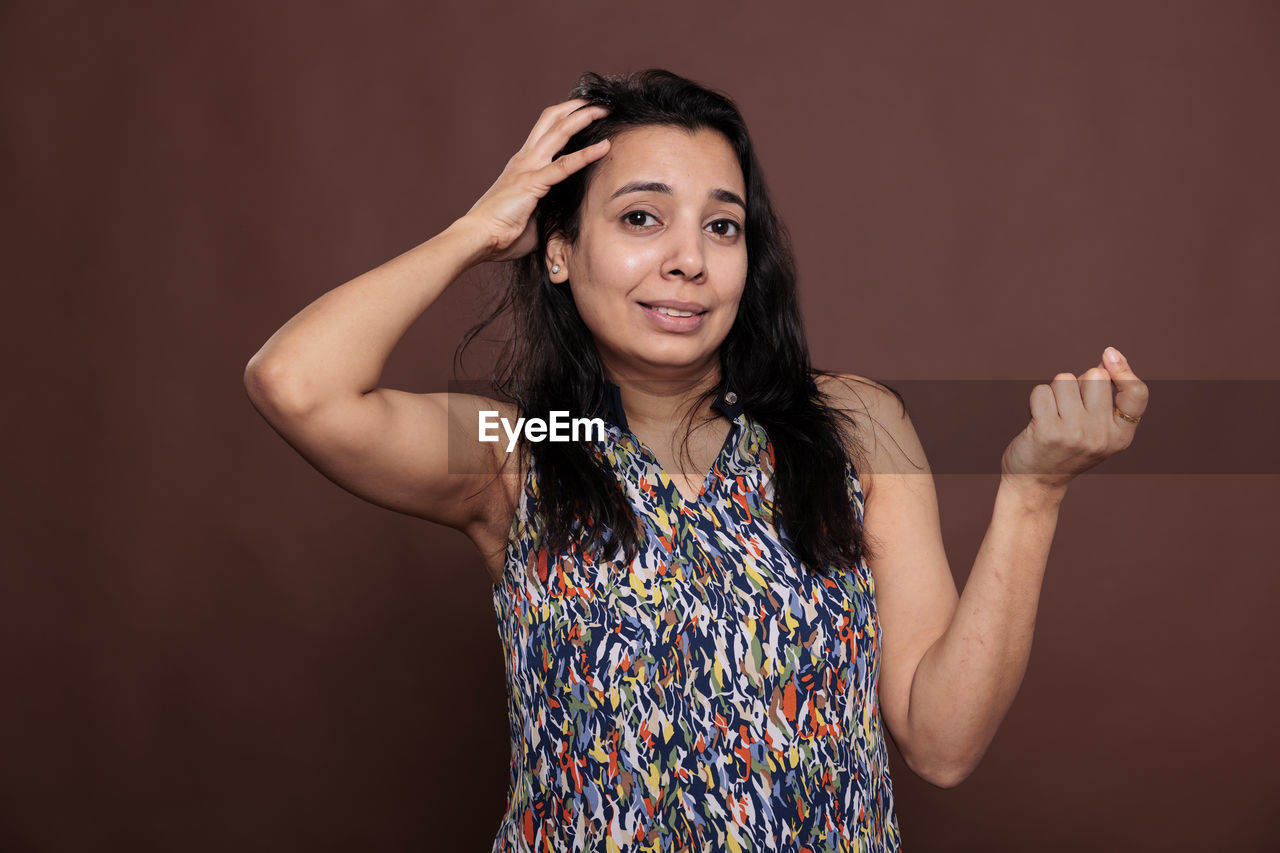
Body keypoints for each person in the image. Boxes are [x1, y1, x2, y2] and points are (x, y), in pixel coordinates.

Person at [244, 69, 1147, 852]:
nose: (689, 260)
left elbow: (943, 741)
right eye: (642, 217)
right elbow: (297, 384)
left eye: (723, 227)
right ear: (559, 250)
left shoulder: (848, 427)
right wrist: (479, 229)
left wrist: (1033, 495)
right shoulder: (524, 451)